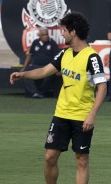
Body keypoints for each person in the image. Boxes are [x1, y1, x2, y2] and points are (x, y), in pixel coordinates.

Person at [10, 12, 107, 184]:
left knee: (81, 160)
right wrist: (22, 74)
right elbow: (43, 71)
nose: (62, 33)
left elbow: (102, 87)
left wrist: (92, 114)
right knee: (50, 157)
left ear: (73, 32)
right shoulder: (64, 54)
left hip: (82, 116)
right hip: (61, 114)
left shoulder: (92, 58)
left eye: (64, 30)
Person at [20, 27, 60, 98]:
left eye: (47, 34)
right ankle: (34, 92)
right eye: (44, 35)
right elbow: (30, 55)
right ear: (39, 36)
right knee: (25, 73)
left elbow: (57, 56)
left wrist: (58, 68)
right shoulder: (35, 42)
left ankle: (41, 92)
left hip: (47, 66)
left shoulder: (52, 43)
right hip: (35, 65)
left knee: (49, 75)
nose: (46, 36)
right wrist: (24, 67)